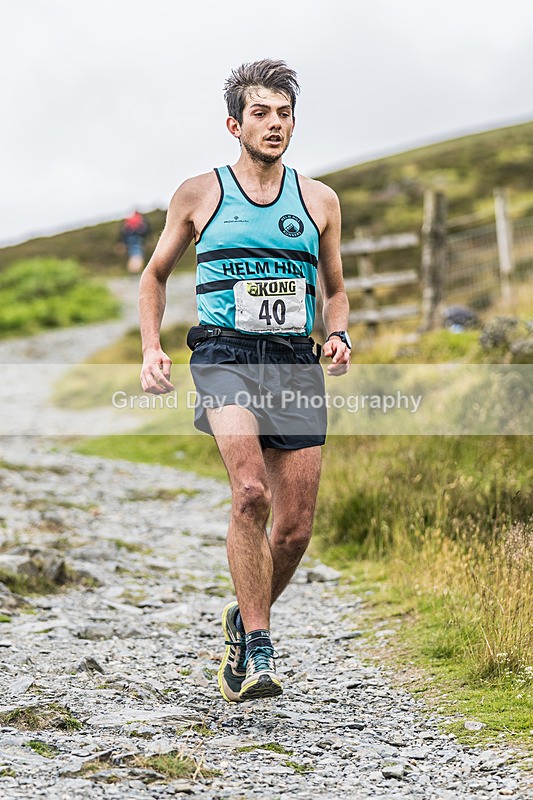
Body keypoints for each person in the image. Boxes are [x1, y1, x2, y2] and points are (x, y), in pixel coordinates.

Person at [139, 59, 351, 702]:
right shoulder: (199, 194)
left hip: (293, 361)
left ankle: (244, 612)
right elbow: (154, 276)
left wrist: (339, 334)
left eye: (284, 113)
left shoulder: (319, 201)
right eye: (261, 113)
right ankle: (257, 645)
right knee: (251, 493)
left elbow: (335, 290)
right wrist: (151, 348)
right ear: (235, 125)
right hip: (224, 355)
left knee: (294, 530)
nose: (274, 123)